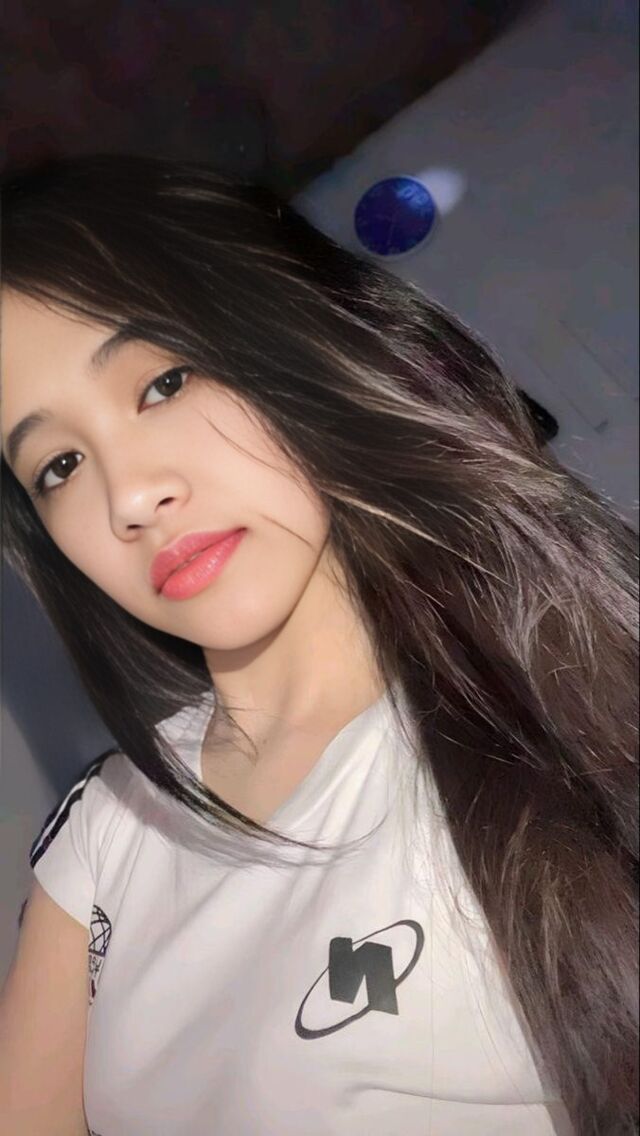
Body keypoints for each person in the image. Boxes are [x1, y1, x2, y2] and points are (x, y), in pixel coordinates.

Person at [0, 154, 636, 1136]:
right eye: (60, 465)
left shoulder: (571, 709)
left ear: (288, 340)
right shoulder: (111, 822)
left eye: (163, 381)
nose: (129, 497)